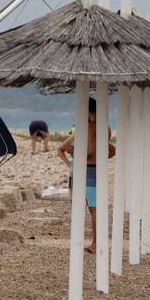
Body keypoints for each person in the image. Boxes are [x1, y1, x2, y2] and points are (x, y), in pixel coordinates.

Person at [56, 97, 115, 253]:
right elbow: (111, 150)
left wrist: (74, 153)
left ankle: (95, 243)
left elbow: (88, 152)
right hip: (98, 169)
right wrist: (101, 159)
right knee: (95, 208)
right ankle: (97, 242)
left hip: (87, 170)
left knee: (92, 209)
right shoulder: (106, 127)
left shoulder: (88, 127)